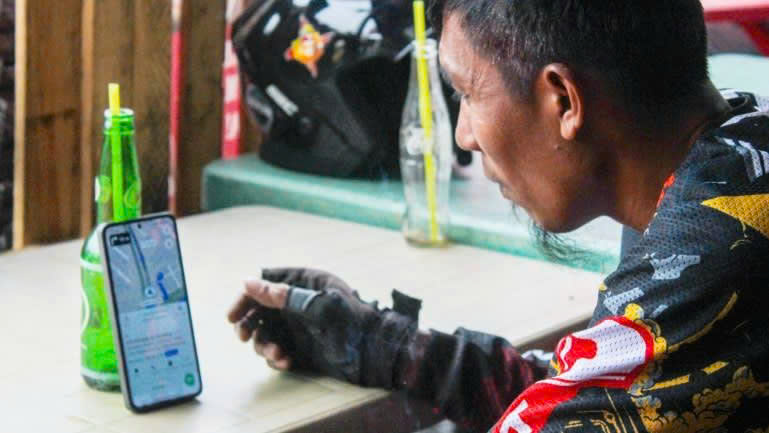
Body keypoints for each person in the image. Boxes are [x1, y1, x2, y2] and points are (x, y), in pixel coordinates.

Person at [227, 1, 769, 431]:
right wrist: (374, 341)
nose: (464, 135)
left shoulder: (705, 259)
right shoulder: (733, 158)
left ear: (564, 100)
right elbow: (588, 393)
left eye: (467, 92)